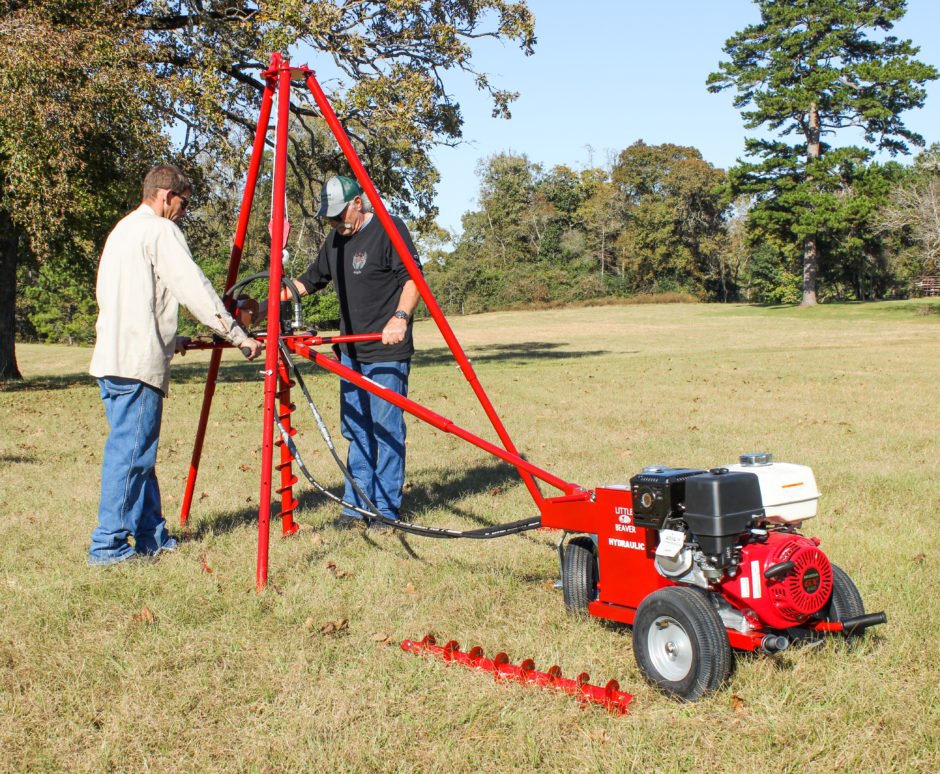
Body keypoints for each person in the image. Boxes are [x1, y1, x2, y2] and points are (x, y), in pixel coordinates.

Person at [88, 164, 263, 565]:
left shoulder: (122, 231)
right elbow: (194, 288)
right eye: (183, 204)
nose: (183, 213)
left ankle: (151, 535)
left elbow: (124, 299)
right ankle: (107, 545)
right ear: (165, 196)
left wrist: (169, 339)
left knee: (137, 454)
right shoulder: (160, 230)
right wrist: (237, 334)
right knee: (130, 458)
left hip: (112, 359)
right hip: (136, 366)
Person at [282, 175, 420, 527]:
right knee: (356, 429)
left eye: (338, 214)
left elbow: (412, 279)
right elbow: (309, 281)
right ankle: (356, 507)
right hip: (350, 354)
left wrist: (400, 319)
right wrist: (272, 298)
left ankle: (387, 511)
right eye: (328, 218)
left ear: (358, 202)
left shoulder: (389, 229)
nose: (334, 223)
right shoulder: (334, 240)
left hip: (386, 352)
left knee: (385, 429)